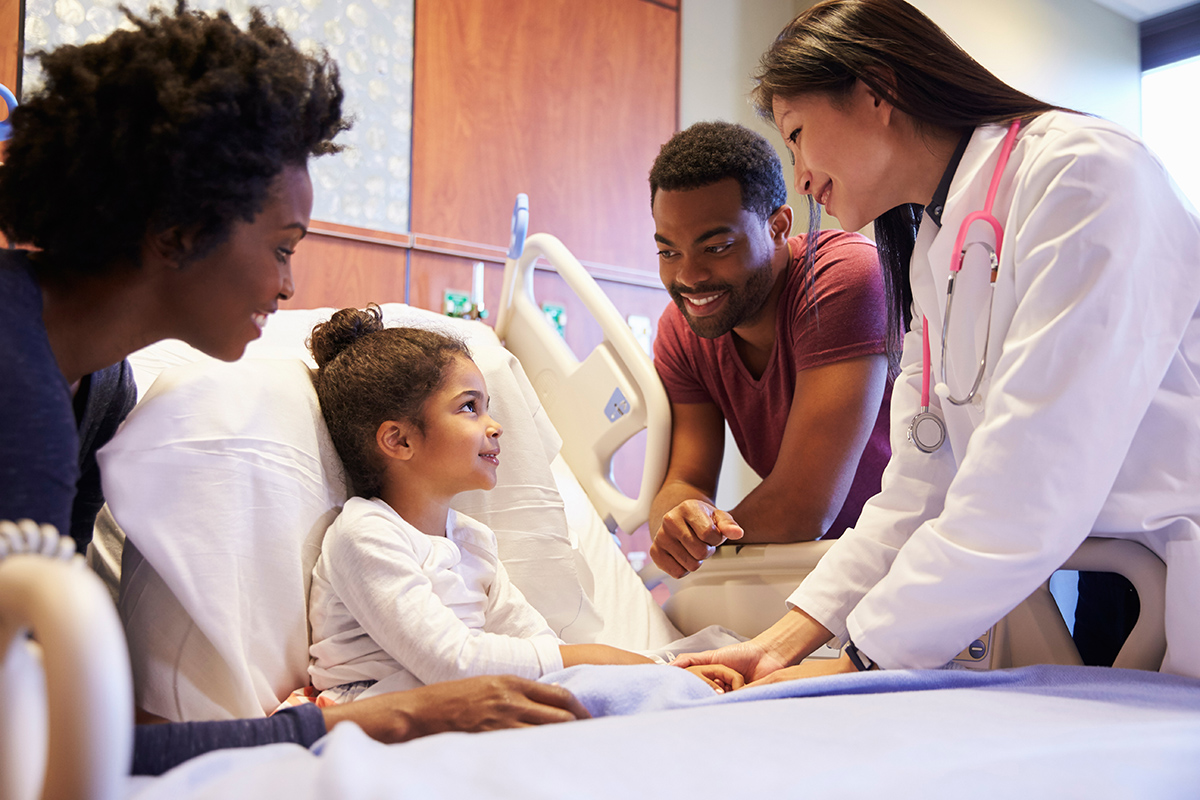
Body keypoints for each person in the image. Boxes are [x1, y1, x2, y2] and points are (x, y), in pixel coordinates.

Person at [0, 3, 588, 775]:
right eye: (281, 248)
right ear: (176, 231)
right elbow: (35, 753)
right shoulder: (23, 403)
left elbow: (52, 705)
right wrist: (390, 717)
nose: (287, 286)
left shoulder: (94, 388)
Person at [675, 0, 1200, 683]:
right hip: (1122, 574)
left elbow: (1032, 476)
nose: (800, 173)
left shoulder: (1086, 173)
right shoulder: (934, 247)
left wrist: (859, 659)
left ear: (875, 90)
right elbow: (920, 486)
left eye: (798, 133)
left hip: (1161, 561)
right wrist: (780, 643)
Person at [305, 307, 742, 698]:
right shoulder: (364, 535)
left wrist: (644, 671)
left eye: (488, 407)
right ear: (399, 440)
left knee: (663, 669)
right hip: (380, 707)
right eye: (469, 408)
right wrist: (608, 661)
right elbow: (452, 662)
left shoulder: (473, 541)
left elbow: (540, 646)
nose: (495, 425)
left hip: (467, 697)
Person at [647, 121, 891, 578]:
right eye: (668, 253)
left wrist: (707, 541)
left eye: (716, 247)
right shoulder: (683, 331)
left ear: (778, 226)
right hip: (823, 571)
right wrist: (679, 521)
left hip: (929, 556)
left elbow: (802, 506)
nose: (689, 277)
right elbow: (686, 479)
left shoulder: (843, 279)